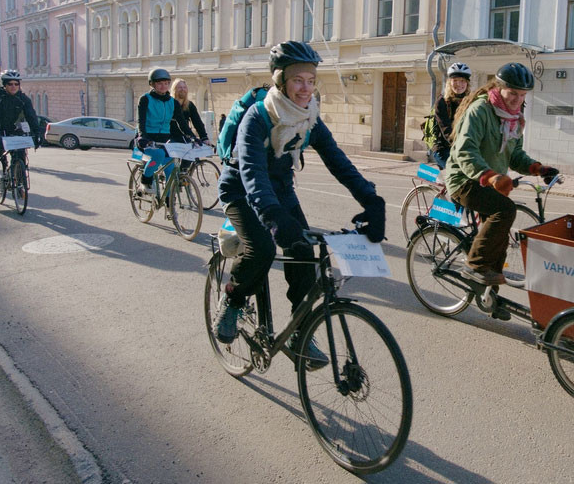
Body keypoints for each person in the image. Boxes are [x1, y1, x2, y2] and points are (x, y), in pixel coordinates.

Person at [213, 41, 386, 364]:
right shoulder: (258, 117)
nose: (306, 89)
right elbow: (251, 173)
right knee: (261, 249)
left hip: (280, 191)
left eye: (311, 80)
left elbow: (339, 162)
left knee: (304, 254)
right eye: (297, 80)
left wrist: (371, 198)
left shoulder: (310, 119)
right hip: (240, 190)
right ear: (280, 80)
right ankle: (233, 301)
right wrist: (275, 217)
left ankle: (299, 333)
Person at [443, 62, 559, 298]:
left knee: (499, 242)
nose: (518, 99)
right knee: (504, 210)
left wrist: (537, 168)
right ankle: (474, 265)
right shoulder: (480, 110)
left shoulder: (513, 117)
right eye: (513, 93)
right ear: (500, 87)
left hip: (491, 181)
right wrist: (490, 176)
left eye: (523, 95)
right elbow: (465, 151)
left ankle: (490, 297)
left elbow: (514, 155)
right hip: (464, 179)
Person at [134, 68, 196, 195]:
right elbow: (141, 121)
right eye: (160, 83)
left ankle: (169, 203)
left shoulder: (172, 102)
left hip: (164, 140)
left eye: (166, 83)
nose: (164, 86)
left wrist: (193, 136)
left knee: (171, 170)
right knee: (158, 155)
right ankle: (145, 181)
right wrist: (142, 137)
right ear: (153, 84)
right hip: (147, 139)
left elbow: (182, 123)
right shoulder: (145, 99)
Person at [0, 70, 40, 182]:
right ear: (4, 85)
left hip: (12, 127)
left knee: (20, 153)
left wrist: (37, 133)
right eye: (10, 84)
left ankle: (19, 181)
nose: (13, 86)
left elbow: (31, 116)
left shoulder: (23, 99)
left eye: (16, 84)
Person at [424, 63, 472, 168]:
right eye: (455, 80)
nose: (459, 84)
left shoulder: (470, 101)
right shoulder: (442, 102)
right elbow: (447, 131)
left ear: (467, 83)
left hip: (463, 147)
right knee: (459, 173)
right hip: (443, 149)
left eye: (462, 81)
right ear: (449, 82)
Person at [170, 78, 211, 146]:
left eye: (184, 87)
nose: (183, 89)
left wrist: (204, 137)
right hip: (171, 137)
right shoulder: (169, 103)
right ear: (174, 90)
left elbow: (197, 122)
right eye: (180, 87)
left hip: (185, 135)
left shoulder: (189, 105)